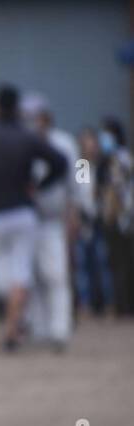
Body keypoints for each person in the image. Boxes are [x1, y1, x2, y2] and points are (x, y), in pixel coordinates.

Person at [0, 85, 67, 350]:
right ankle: (15, 332)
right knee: (22, 274)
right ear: (19, 110)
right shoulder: (28, 137)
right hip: (24, 213)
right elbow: (63, 164)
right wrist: (39, 186)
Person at [21, 94, 79, 350]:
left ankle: (59, 331)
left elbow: (80, 177)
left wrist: (77, 209)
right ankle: (39, 328)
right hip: (25, 221)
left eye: (36, 117)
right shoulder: (21, 144)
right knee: (30, 277)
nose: (32, 122)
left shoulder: (66, 143)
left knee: (56, 275)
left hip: (54, 220)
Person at [73, 127, 114, 320]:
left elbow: (106, 191)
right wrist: (83, 215)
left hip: (99, 220)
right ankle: (86, 303)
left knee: (102, 263)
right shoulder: (82, 165)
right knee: (83, 265)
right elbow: (82, 193)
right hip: (85, 220)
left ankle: (106, 303)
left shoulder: (103, 165)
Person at [96, 117, 134, 316]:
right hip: (101, 218)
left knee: (122, 262)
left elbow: (120, 189)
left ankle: (124, 306)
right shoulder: (90, 161)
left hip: (121, 218)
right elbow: (87, 186)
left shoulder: (122, 158)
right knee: (111, 262)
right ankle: (115, 305)